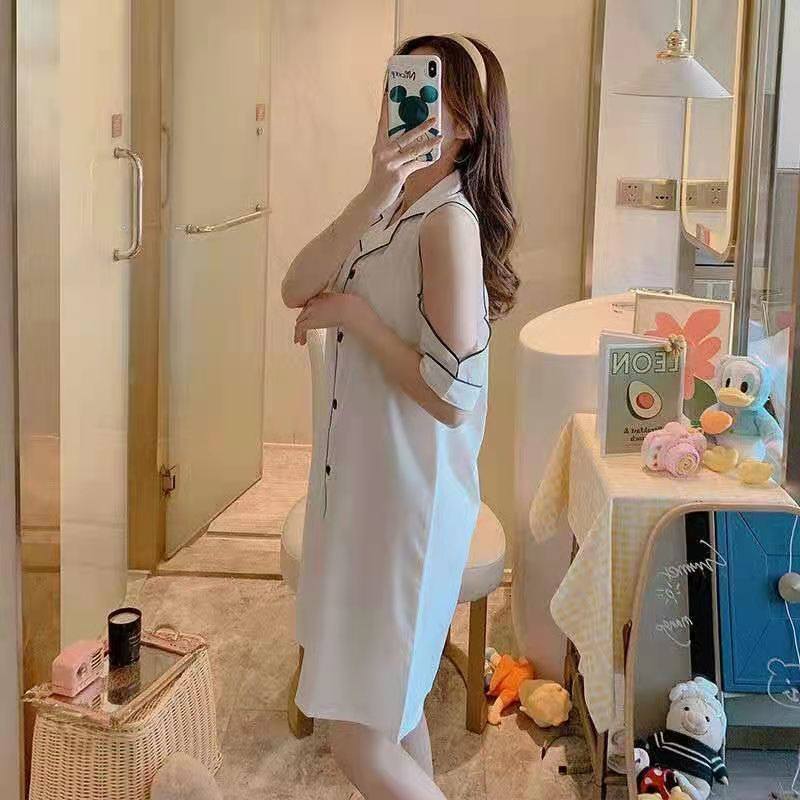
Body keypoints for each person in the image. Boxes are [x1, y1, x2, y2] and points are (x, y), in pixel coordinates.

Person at [281, 33, 518, 800]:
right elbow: (294, 285)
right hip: (360, 495)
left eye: (424, 93)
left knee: (354, 738)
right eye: (396, 88)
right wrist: (372, 191)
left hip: (404, 513)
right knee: (396, 710)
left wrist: (354, 315)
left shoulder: (448, 224)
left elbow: (452, 397)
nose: (402, 106)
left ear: (466, 125)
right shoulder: (389, 211)